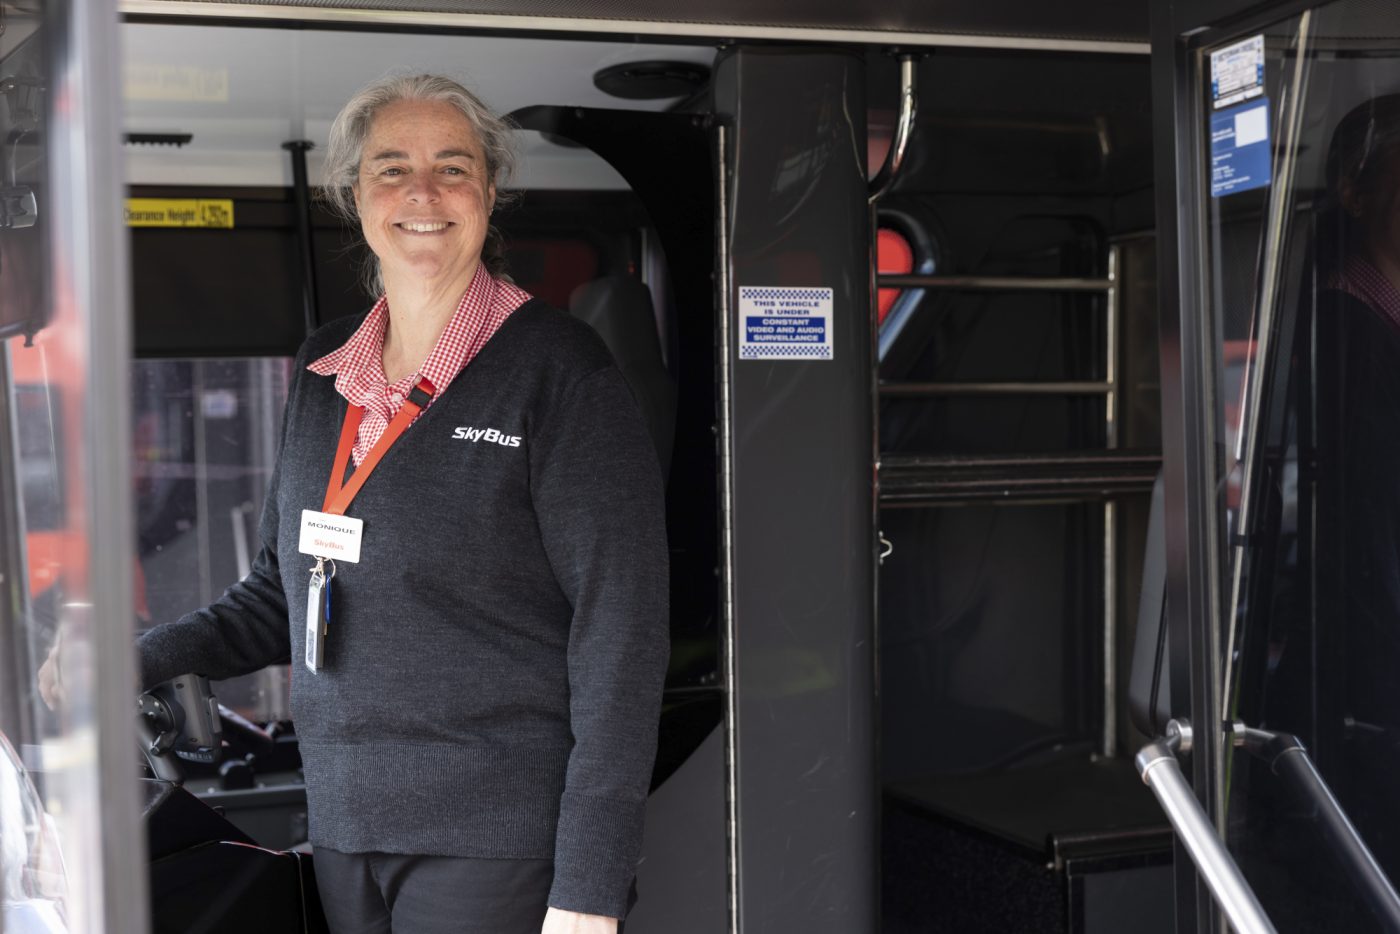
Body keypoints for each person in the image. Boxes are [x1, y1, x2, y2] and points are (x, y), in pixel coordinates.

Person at [81, 73, 669, 933]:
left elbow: (622, 636)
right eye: (392, 169)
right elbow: (280, 594)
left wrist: (590, 882)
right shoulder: (325, 371)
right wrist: (119, 664)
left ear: (489, 194)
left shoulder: (560, 372)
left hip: (497, 839)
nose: (422, 192)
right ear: (356, 196)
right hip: (346, 826)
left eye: (453, 168)